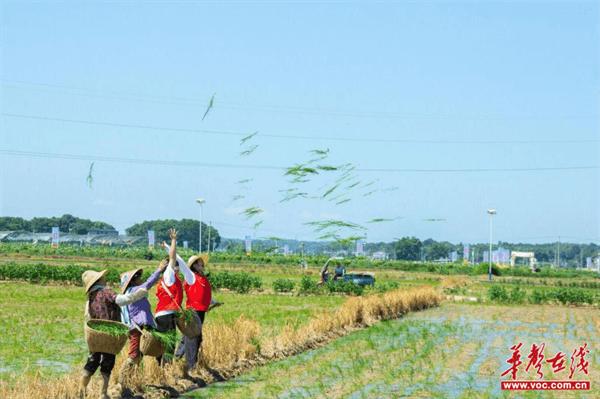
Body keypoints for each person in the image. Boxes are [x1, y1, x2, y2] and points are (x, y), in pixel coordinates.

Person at [80, 269, 148, 399]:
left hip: (96, 333)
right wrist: (137, 295)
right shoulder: (106, 292)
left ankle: (81, 392)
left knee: (92, 361)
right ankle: (103, 393)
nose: (104, 279)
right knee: (107, 362)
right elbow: (121, 300)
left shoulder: (91, 296)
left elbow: (87, 315)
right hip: (110, 333)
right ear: (99, 280)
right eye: (102, 278)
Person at [118, 261, 167, 383]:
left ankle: (161, 375)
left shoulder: (132, 291)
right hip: (137, 328)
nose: (141, 279)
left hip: (144, 326)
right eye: (139, 277)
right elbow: (149, 283)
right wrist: (159, 269)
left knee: (158, 348)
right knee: (134, 354)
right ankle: (123, 379)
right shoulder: (135, 290)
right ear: (134, 280)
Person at [173, 252, 212, 378]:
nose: (202, 265)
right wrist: (170, 248)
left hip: (200, 311)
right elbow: (182, 264)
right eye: (200, 263)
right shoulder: (191, 276)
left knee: (188, 336)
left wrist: (212, 303)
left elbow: (204, 295)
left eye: (202, 263)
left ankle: (177, 359)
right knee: (194, 338)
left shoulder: (202, 278)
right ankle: (190, 367)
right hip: (194, 311)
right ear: (194, 266)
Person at [154, 228, 181, 365]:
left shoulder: (164, 279)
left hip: (160, 315)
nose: (178, 269)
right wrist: (174, 240)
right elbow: (172, 257)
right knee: (169, 345)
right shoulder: (169, 276)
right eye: (177, 267)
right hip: (167, 315)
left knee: (161, 344)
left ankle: (159, 369)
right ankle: (166, 370)